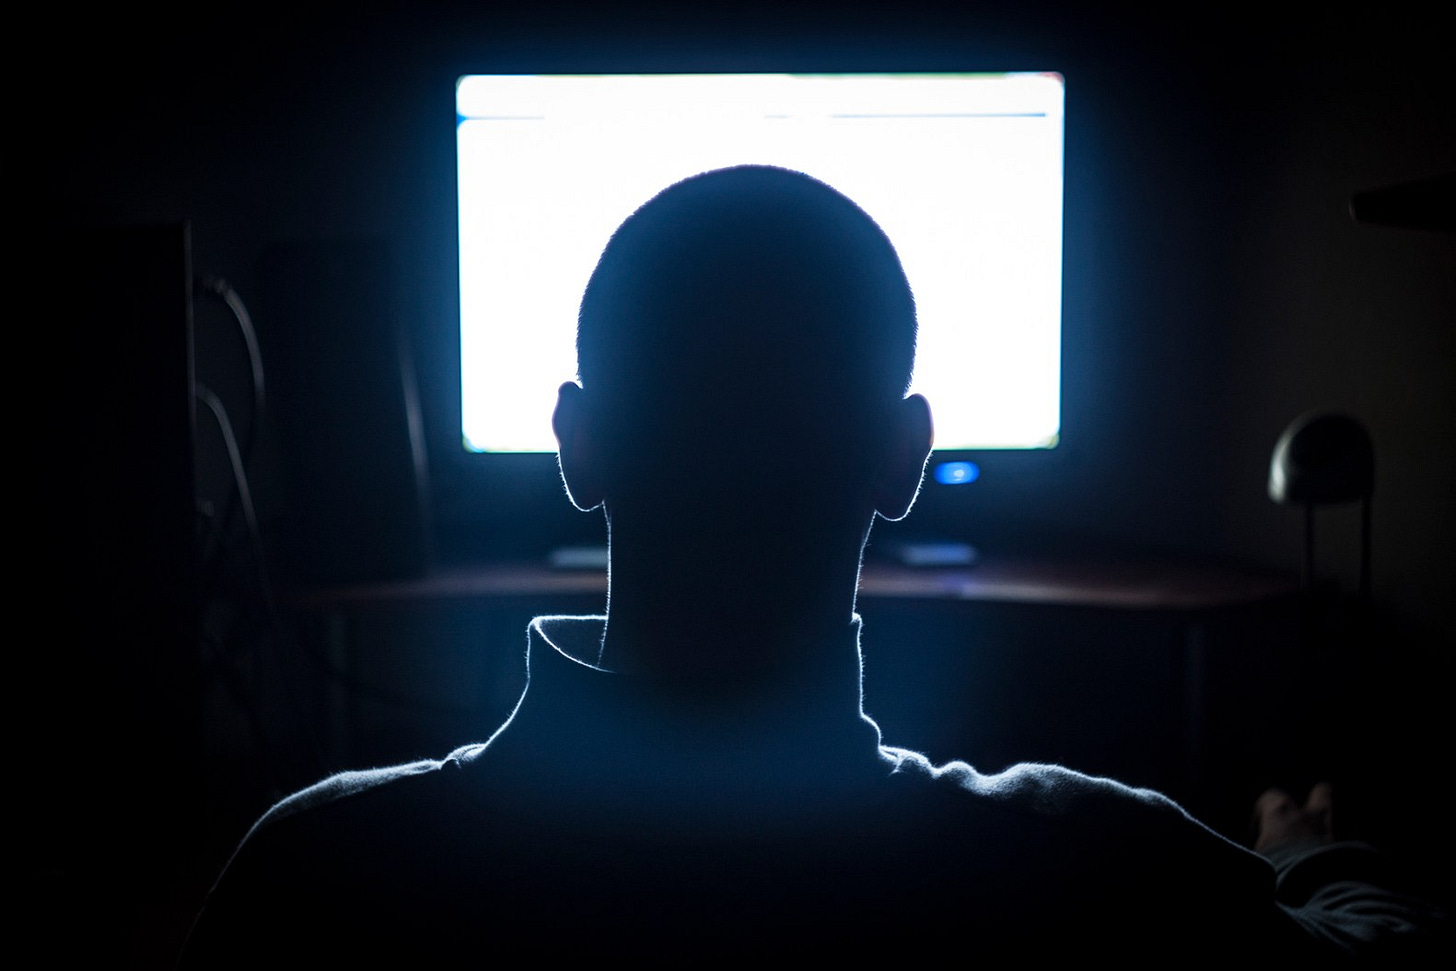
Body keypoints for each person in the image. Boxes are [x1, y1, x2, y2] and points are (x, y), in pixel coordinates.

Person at [184, 166, 1441, 961]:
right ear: (903, 458)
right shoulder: (1096, 870)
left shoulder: (313, 878)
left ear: (577, 444)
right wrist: (1305, 856)